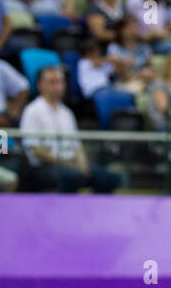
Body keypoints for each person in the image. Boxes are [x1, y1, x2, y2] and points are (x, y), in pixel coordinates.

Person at [20, 65, 122, 193]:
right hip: (44, 167)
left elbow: (77, 146)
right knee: (72, 177)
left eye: (61, 81)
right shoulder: (33, 111)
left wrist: (83, 164)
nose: (58, 86)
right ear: (40, 85)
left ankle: (95, 210)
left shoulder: (66, 113)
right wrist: (67, 163)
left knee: (109, 178)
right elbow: (35, 149)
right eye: (52, 82)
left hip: (70, 164)